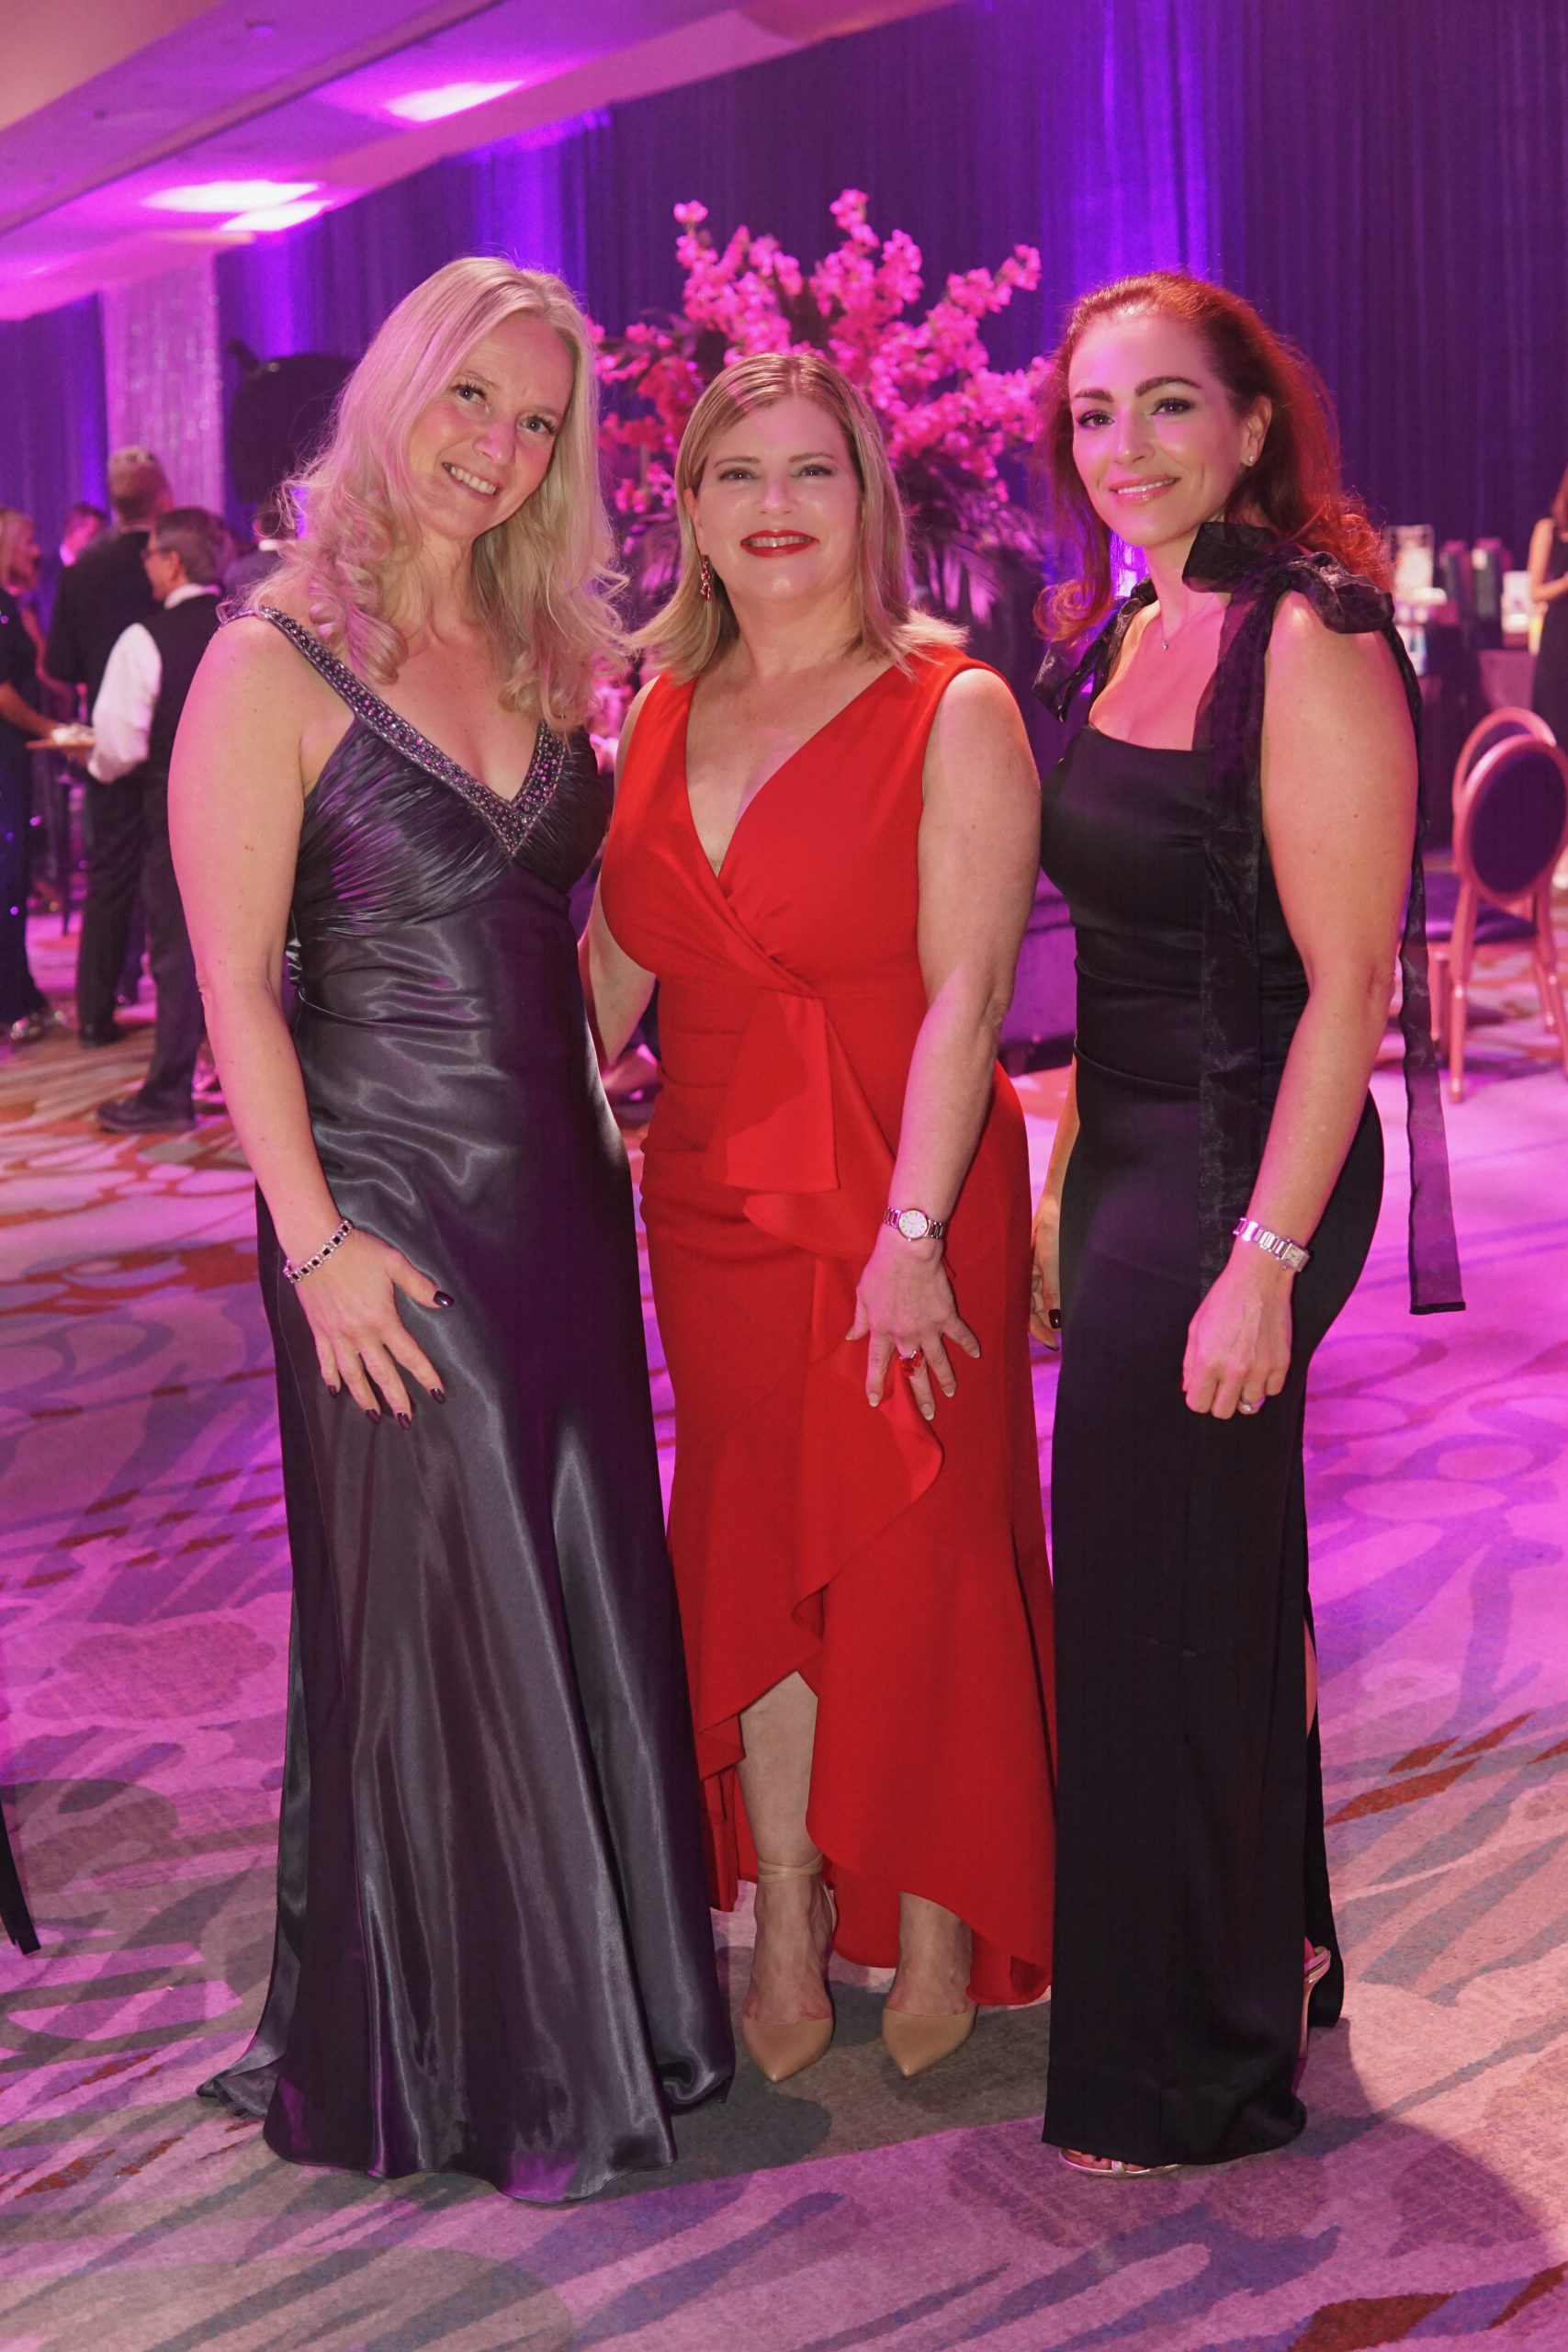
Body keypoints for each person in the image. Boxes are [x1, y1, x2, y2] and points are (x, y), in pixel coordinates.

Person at [172, 255, 730, 2200]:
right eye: (471, 397)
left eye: (539, 421)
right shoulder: (265, 659)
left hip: (558, 1190)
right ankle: (473, 2055)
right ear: (398, 389)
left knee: (573, 1559)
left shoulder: (542, 648)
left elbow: (558, 944)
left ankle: (613, 2003)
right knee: (441, 1598)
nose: (498, 446)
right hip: (379, 1199)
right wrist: (316, 1246)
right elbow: (236, 988)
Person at [1030, 270, 1462, 2177]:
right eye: (1091, 413)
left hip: (1245, 1158)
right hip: (1127, 1149)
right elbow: (1102, 942)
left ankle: (1188, 2060)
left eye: (1165, 405)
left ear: (1251, 423)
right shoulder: (1125, 626)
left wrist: (1262, 1265)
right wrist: (1054, 1172)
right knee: (1192, 1569)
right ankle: (1260, 1951)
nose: (1122, 447)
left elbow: (1349, 977)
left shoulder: (1311, 631)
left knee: (1161, 1584)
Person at [586, 352, 1056, 2086]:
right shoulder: (651, 708)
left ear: (868, 499)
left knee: (917, 1549)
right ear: (690, 514)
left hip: (900, 1179)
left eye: (811, 471)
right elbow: (612, 967)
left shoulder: (952, 704)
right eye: (736, 476)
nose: (773, 506)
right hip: (711, 1196)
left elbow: (967, 995)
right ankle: (784, 1910)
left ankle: (929, 1908)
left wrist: (911, 1236)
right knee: (754, 1544)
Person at [90, 508, 228, 1132]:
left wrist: (94, 761)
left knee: (177, 958)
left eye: (149, 555)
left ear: (172, 563)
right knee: (264, 958)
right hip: (267, 821)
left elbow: (118, 747)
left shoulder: (144, 640)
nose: (145, 565)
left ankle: (169, 1094)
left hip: (179, 824)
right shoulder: (251, 625)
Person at [46, 448, 173, 1047]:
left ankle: (96, 1014)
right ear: (163, 497)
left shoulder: (82, 574)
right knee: (182, 879)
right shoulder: (174, 565)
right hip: (178, 742)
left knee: (109, 881)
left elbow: (60, 666)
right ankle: (189, 1019)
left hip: (112, 745)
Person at [0, 512, 57, 1045]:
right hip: (4, 758)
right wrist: (50, 728)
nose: (36, 550)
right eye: (27, 541)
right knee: (7, 879)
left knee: (14, 878)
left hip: (12, 757)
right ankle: (11, 1000)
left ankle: (21, 992)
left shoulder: (12, 602)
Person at [1527, 466, 1568, 749]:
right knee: (1557, 720)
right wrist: (1565, 583)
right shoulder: (1548, 530)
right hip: (1559, 638)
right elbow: (1535, 592)